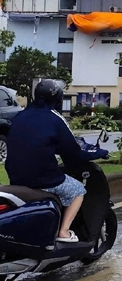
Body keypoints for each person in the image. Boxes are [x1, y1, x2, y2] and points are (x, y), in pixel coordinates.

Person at [4, 80, 86, 243]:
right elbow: (73, 151)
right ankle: (63, 231)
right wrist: (98, 152)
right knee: (78, 190)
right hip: (43, 179)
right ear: (58, 98)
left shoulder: (20, 115)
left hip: (15, 178)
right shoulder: (55, 118)